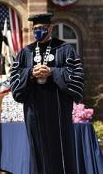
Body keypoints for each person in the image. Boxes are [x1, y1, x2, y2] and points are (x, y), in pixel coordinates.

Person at [10, 13, 84, 174]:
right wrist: (30, 73)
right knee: (37, 150)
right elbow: (15, 79)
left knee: (62, 151)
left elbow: (77, 75)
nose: (39, 31)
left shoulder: (65, 49)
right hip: (34, 111)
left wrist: (52, 71)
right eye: (36, 29)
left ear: (50, 28)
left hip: (58, 111)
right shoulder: (26, 52)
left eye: (42, 28)